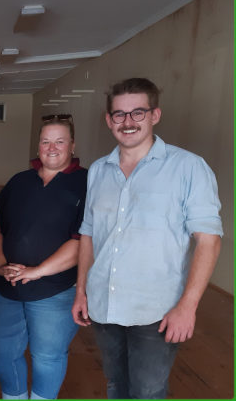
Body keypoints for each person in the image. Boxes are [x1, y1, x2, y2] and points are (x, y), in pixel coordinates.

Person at [71, 78, 222, 399]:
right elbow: (88, 234)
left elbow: (209, 241)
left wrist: (188, 307)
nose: (128, 122)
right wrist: (82, 290)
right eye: (119, 114)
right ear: (108, 120)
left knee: (148, 392)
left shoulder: (188, 168)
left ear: (155, 115)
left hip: (157, 310)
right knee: (116, 386)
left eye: (137, 112)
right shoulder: (99, 170)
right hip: (104, 304)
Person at [0, 115, 87, 400]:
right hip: (9, 288)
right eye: (45, 141)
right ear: (38, 145)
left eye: (59, 141)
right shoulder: (20, 181)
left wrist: (36, 271)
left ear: (72, 145)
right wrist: (0, 265)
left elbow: (82, 242)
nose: (51, 148)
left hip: (54, 290)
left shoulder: (87, 182)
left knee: (48, 357)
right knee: (2, 350)